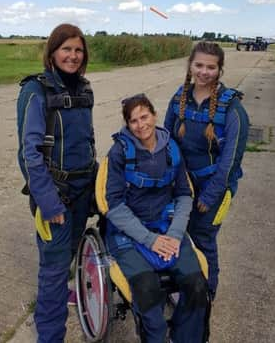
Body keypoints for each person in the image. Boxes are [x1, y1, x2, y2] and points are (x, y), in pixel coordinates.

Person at [103, 94, 209, 343]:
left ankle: (185, 337)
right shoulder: (119, 152)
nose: (140, 125)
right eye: (133, 121)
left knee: (197, 286)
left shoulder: (171, 148)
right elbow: (115, 207)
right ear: (127, 124)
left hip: (166, 227)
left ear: (154, 115)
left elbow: (184, 195)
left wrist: (173, 234)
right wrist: (150, 240)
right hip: (128, 233)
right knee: (147, 290)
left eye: (144, 117)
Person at [17, 23, 97, 342]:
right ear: (52, 52)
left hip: (82, 191)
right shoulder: (35, 90)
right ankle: (49, 335)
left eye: (78, 50)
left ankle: (61, 296)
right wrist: (49, 203)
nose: (73, 56)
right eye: (66, 49)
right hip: (55, 197)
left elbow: (87, 141)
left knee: (69, 256)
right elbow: (30, 154)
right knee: (53, 270)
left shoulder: (84, 88)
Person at [164, 41, 249, 301]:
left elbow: (230, 161)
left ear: (219, 70)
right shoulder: (179, 99)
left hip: (215, 188)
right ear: (190, 66)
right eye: (199, 65)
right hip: (182, 186)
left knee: (203, 238)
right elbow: (166, 140)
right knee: (179, 235)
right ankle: (184, 285)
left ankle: (205, 295)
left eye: (211, 67)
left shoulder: (232, 109)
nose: (204, 72)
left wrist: (209, 196)